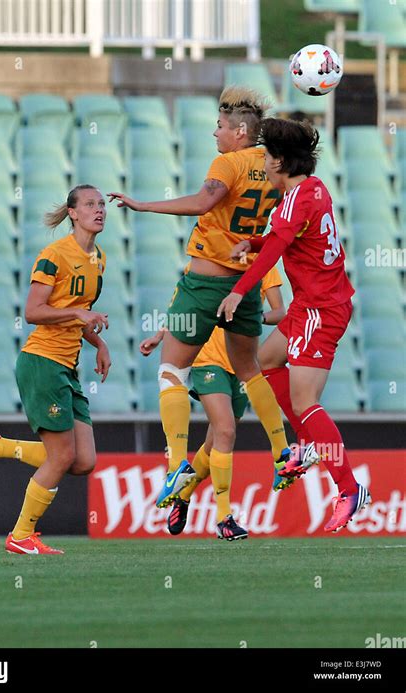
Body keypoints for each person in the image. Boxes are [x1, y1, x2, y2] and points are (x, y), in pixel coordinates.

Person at [109, 86, 293, 519]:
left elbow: (203, 201)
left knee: (172, 369)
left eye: (221, 127)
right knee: (250, 370)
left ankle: (176, 468)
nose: (215, 133)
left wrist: (144, 206)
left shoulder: (228, 163)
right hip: (244, 285)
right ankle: (284, 451)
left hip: (208, 281)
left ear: (240, 131)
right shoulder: (272, 166)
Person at [217, 118, 371, 533]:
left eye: (267, 158)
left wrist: (238, 290)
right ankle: (308, 446)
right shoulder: (313, 188)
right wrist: (254, 242)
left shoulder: (290, 203)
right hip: (314, 302)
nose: (263, 164)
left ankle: (349, 487)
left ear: (281, 161)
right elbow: (288, 240)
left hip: (320, 309)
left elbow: (275, 256)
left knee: (305, 403)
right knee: (266, 361)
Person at [0, 185, 111, 554]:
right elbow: (33, 312)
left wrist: (99, 342)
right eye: (90, 204)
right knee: (61, 456)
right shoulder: (54, 255)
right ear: (73, 213)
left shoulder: (99, 260)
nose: (99, 210)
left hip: (67, 367)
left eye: (102, 204)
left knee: (83, 461)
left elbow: (79, 314)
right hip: (42, 362)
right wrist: (78, 313)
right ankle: (21, 535)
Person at [140, 264, 288, 540]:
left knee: (214, 445)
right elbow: (181, 312)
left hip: (242, 365)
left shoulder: (263, 264)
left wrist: (253, 316)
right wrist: (161, 336)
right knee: (226, 431)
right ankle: (224, 517)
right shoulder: (204, 266)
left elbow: (280, 312)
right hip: (207, 360)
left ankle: (184, 493)